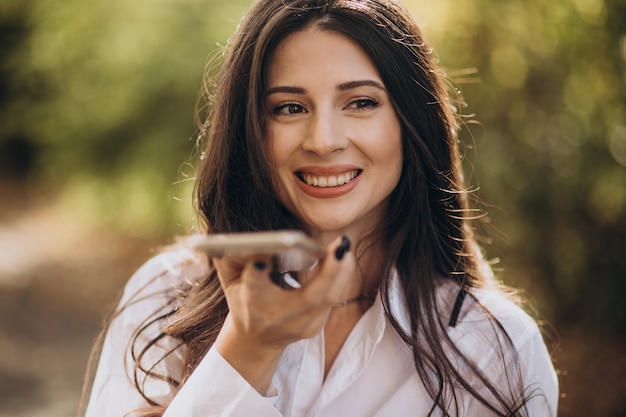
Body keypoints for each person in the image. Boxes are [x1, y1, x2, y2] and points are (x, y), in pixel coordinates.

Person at [80, 0, 559, 415]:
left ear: (411, 123)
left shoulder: (495, 347)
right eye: (290, 108)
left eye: (361, 103)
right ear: (251, 132)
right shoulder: (165, 297)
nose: (324, 141)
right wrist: (247, 350)